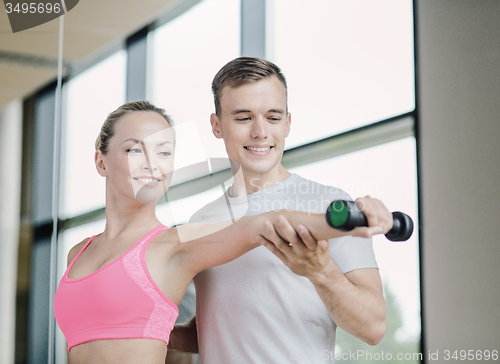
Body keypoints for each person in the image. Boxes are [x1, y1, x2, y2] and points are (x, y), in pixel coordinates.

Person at [53, 100, 392, 364]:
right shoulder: (79, 253)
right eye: (134, 149)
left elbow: (263, 222)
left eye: (164, 152)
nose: (151, 163)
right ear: (101, 161)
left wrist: (347, 218)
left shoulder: (175, 244)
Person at [168, 57, 388, 363]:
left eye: (272, 118)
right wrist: (133, 329)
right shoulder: (200, 222)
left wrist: (321, 272)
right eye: (243, 118)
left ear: (287, 123)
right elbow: (216, 328)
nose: (260, 132)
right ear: (217, 126)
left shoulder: (328, 206)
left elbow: (374, 327)